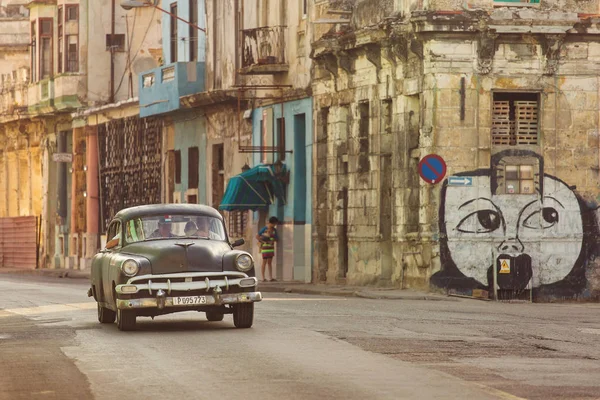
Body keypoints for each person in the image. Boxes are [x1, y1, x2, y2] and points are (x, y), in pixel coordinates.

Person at [256, 216, 279, 282]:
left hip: (271, 248)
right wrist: (264, 241)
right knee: (264, 262)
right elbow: (257, 236)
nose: (275, 225)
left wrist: (273, 240)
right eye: (274, 224)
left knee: (270, 262)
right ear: (272, 223)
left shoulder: (274, 230)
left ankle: (270, 277)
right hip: (265, 248)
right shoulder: (264, 229)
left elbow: (276, 238)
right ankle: (263, 277)